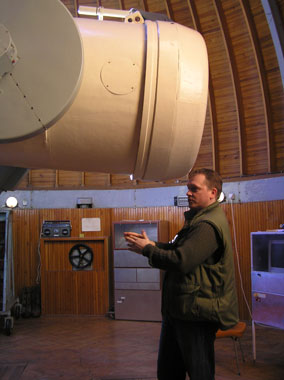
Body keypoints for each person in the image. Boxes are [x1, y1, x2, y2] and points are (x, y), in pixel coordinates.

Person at [124, 168, 239, 380]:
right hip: (182, 311)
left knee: (199, 373)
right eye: (188, 188)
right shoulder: (198, 220)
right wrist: (152, 244)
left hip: (196, 315)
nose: (188, 193)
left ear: (213, 193)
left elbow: (181, 261)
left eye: (194, 188)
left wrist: (148, 250)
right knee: (169, 372)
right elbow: (178, 250)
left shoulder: (206, 225)